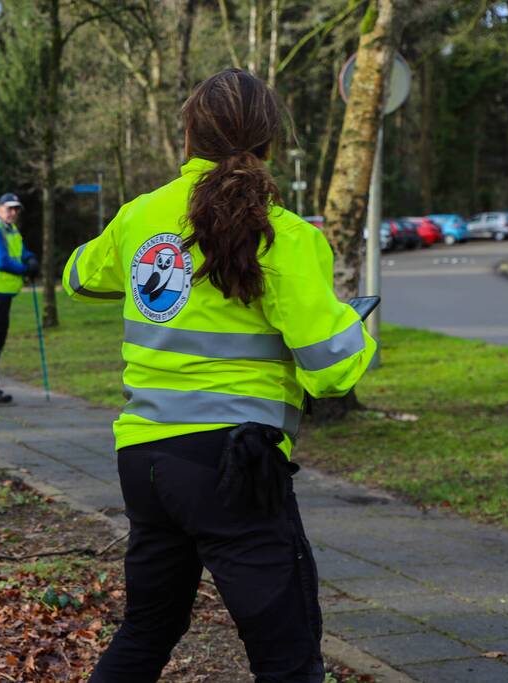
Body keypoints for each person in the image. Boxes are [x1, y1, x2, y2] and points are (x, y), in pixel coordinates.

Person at [63, 68, 376, 682]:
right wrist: (355, 329)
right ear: (269, 143)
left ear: (188, 137)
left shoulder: (138, 217)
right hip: (236, 469)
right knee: (288, 659)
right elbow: (332, 371)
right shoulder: (284, 236)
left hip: (146, 462)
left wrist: (145, 256)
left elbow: (79, 276)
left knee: (147, 631)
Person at [0, 192, 39, 403]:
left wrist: (30, 260)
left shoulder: (10, 230)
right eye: (9, 208)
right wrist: (25, 270)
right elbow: (1, 261)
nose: (13, 212)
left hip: (3, 293)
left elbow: (21, 251)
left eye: (16, 209)